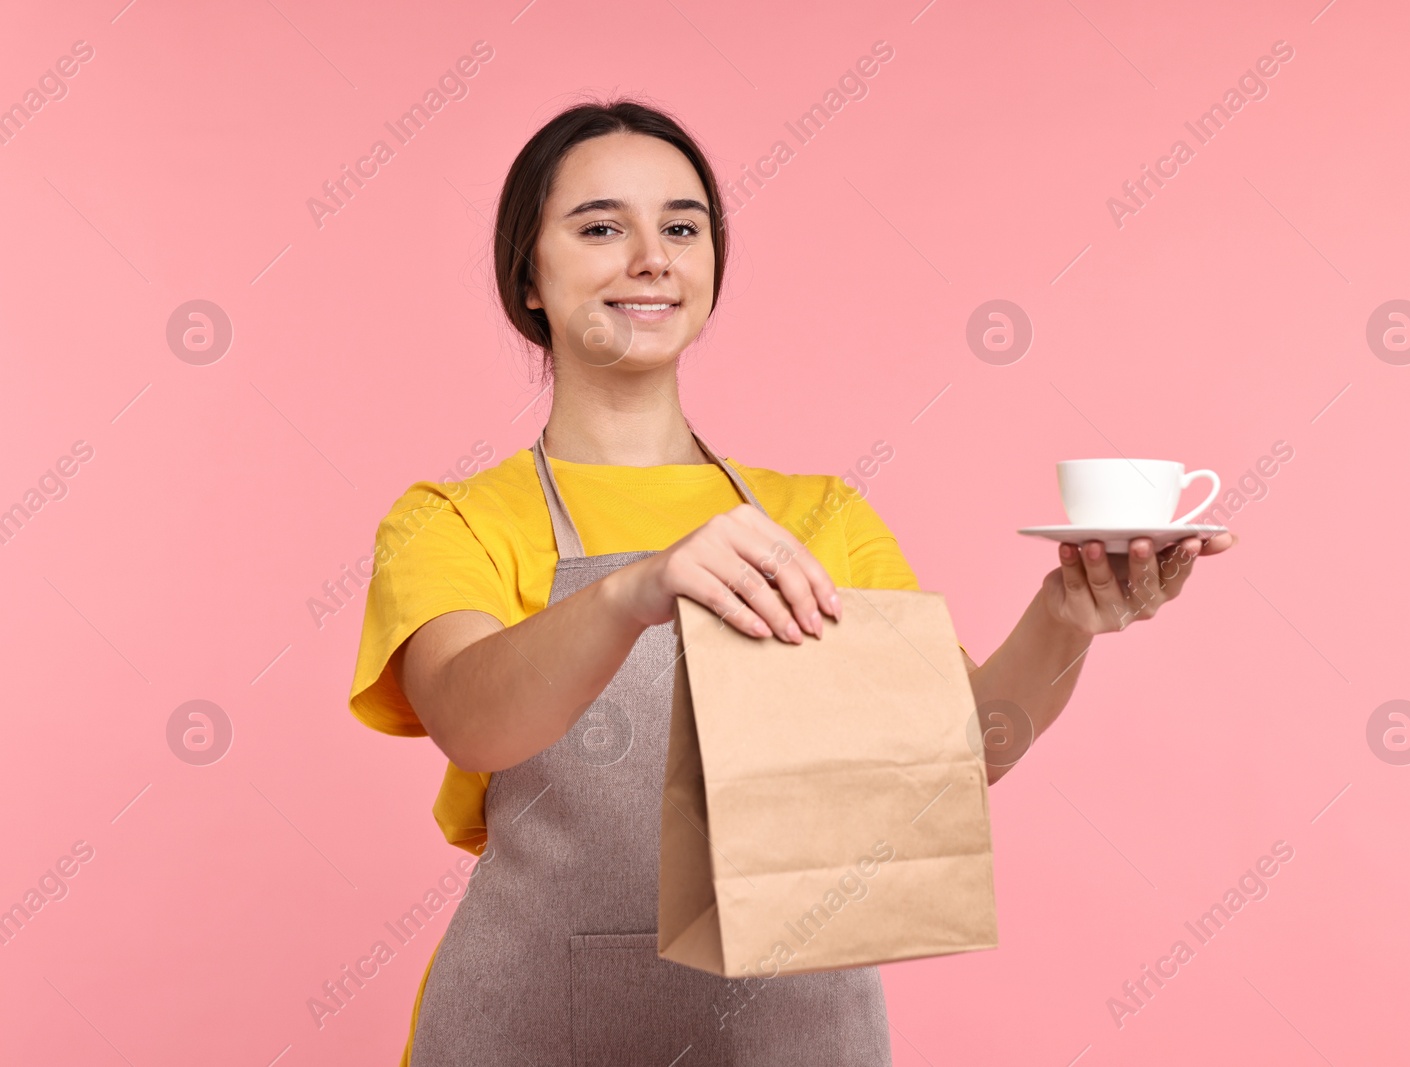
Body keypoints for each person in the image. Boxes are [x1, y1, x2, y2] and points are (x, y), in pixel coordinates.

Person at [347, 98, 1237, 1067]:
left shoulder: (816, 518)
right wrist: (631, 590)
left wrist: (1066, 617)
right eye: (602, 226)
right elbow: (474, 718)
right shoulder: (452, 517)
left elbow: (946, 760)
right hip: (521, 1024)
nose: (653, 257)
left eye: (682, 228)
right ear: (527, 274)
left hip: (792, 1035)